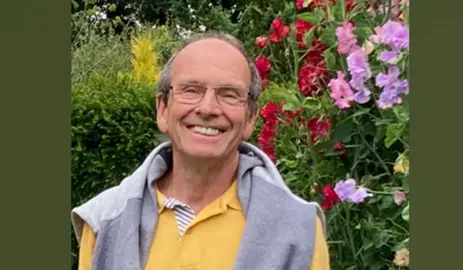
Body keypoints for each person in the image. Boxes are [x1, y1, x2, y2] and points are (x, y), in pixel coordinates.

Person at [72, 31, 330, 270]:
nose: (207, 108)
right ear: (162, 109)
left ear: (251, 117)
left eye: (229, 94)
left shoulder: (299, 229)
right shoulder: (105, 221)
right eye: (191, 90)